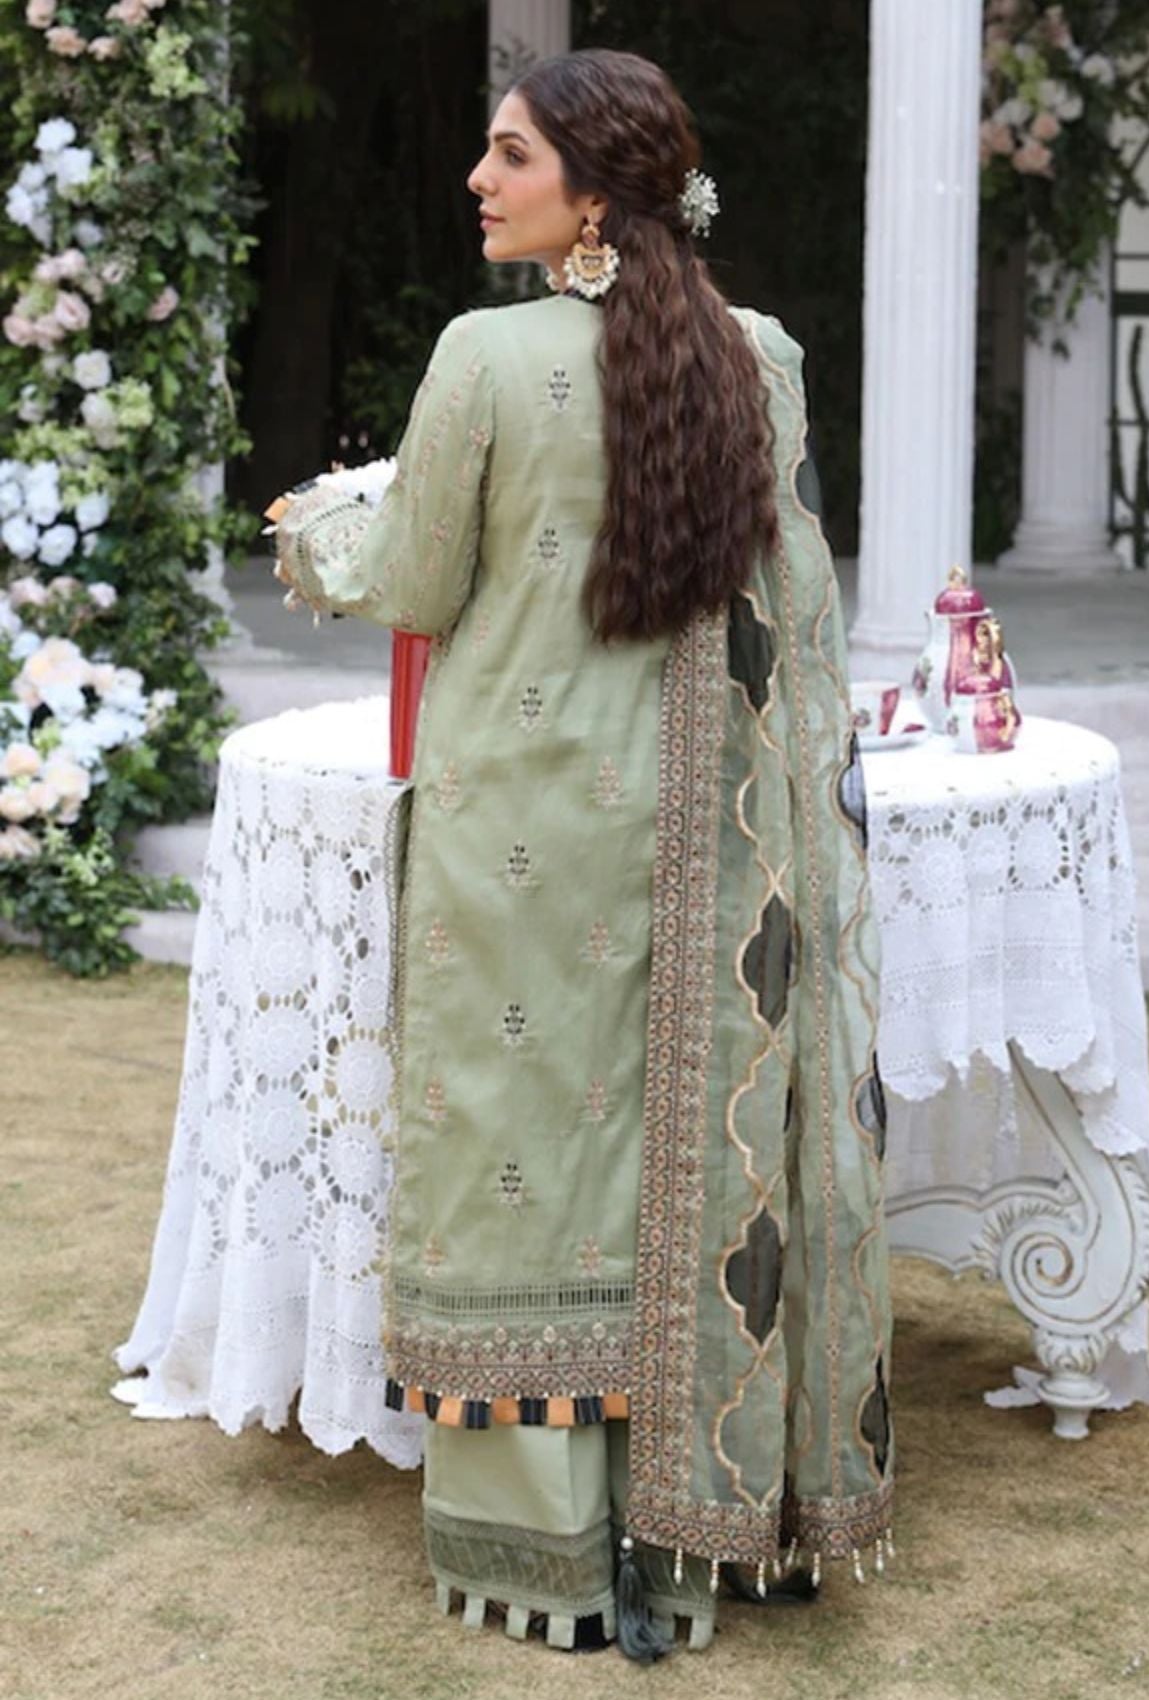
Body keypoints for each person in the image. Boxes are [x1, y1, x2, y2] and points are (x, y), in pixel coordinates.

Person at [274, 47, 893, 1660]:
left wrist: (312, 526)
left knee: (518, 1158)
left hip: (514, 827)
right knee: (663, 1154)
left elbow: (411, 579)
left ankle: (546, 1546)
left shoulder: (483, 353)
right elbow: (790, 608)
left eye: (511, 156)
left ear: (597, 194)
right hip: (699, 838)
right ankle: (688, 1531)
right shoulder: (758, 354)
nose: (480, 181)